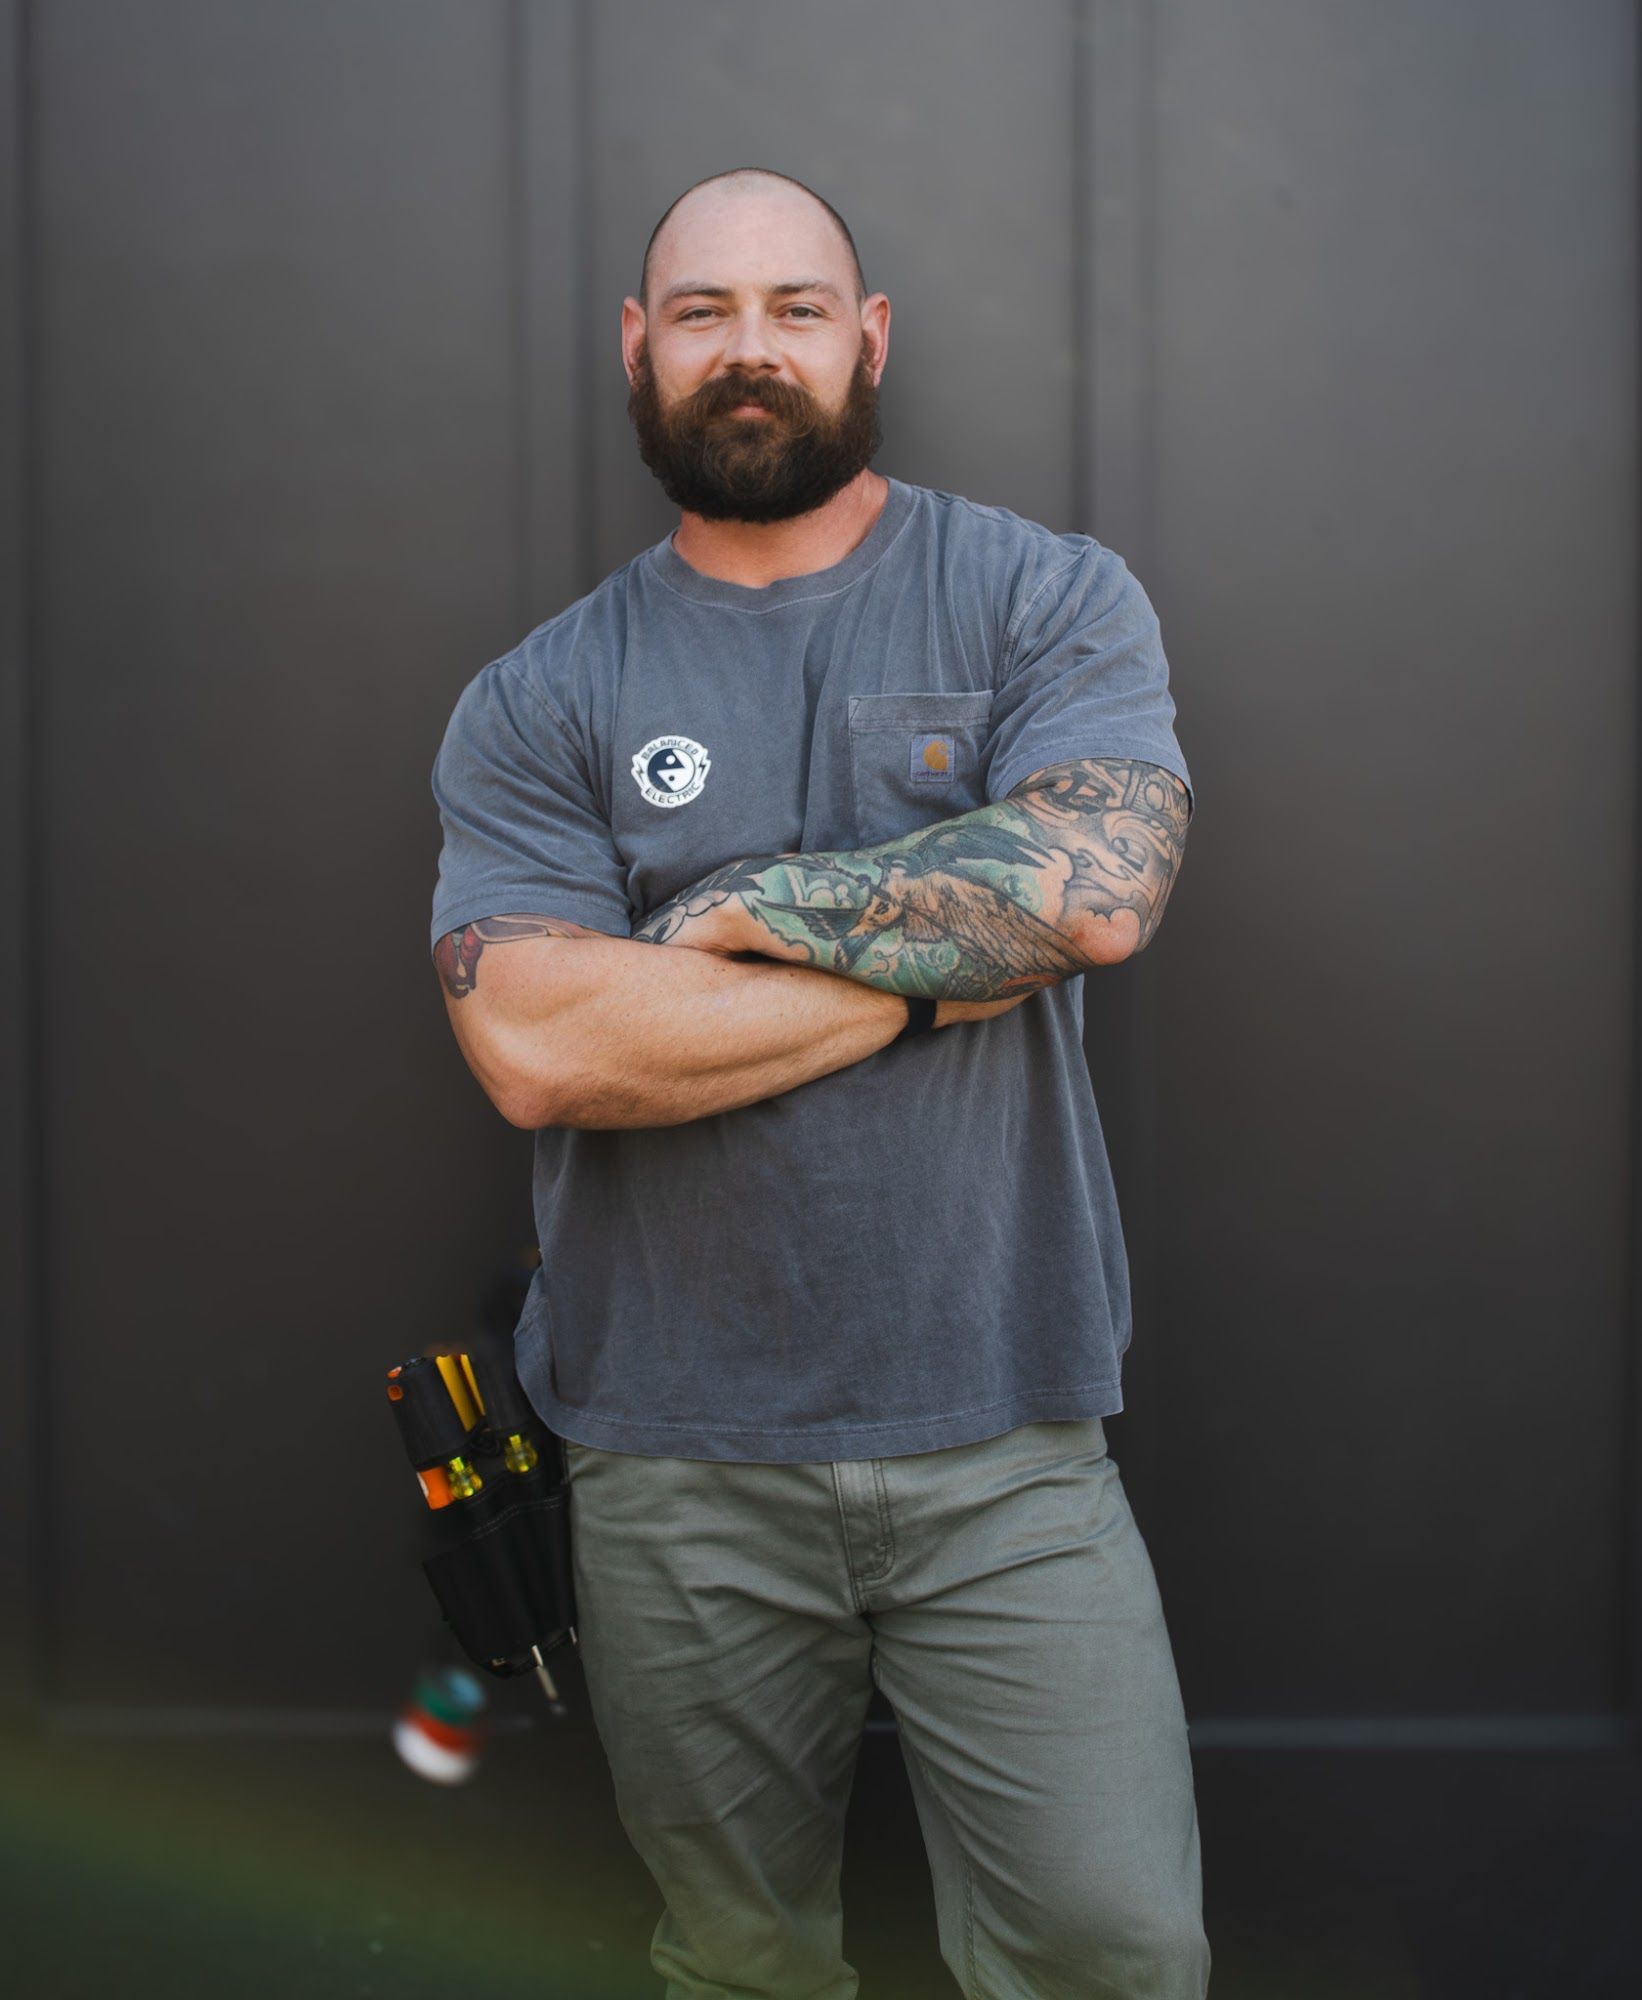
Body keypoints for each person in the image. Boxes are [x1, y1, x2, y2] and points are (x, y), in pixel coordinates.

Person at [429, 165, 1209, 2000]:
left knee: (1110, 1945)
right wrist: (947, 973)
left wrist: (741, 916)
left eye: (793, 308)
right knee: (738, 1961)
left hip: (1005, 1432)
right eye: (702, 313)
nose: (747, 350)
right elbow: (540, 1046)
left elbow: (1098, 893)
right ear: (639, 349)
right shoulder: (543, 695)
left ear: (866, 341)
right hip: (668, 1459)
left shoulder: (1041, 596)